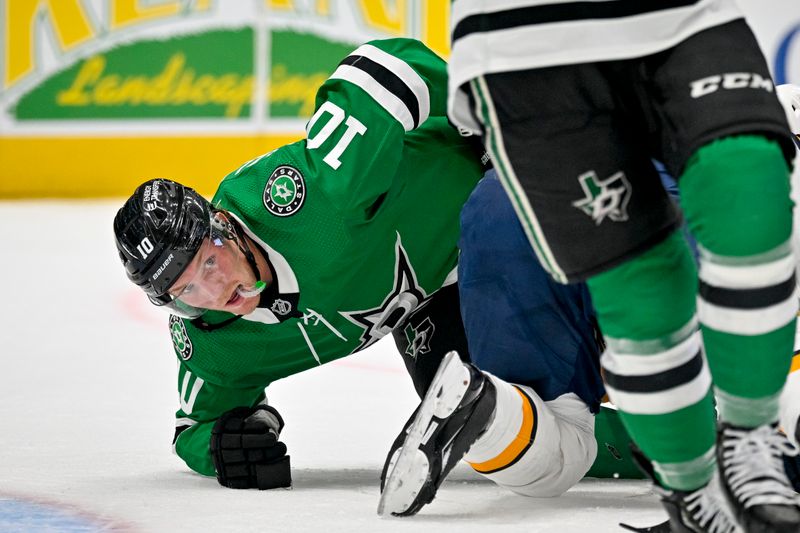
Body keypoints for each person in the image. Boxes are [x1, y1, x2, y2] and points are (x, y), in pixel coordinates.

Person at [113, 37, 638, 493]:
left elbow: (385, 66)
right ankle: (668, 445)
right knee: (490, 419)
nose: (212, 291)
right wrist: (232, 440)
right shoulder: (213, 345)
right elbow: (194, 428)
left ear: (222, 227)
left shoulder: (314, 201)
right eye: (183, 293)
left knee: (622, 327)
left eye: (207, 263)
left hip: (506, 213)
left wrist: (483, 110)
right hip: (435, 302)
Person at [383, 4, 800, 532]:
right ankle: (727, 461)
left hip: (512, 185)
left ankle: (488, 407)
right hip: (648, 56)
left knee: (560, 432)